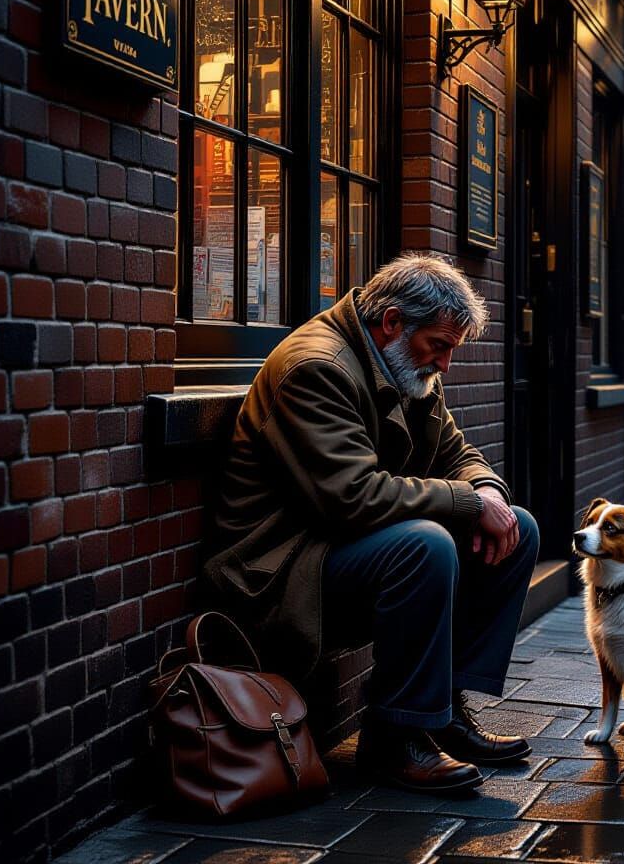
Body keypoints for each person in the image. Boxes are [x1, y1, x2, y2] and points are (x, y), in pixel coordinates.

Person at [204, 253, 540, 794]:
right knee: (426, 545)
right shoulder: (317, 368)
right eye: (441, 346)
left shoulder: (406, 362)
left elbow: (457, 452)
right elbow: (352, 497)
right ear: (391, 323)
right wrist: (466, 503)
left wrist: (486, 492)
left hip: (338, 545)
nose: (446, 364)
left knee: (517, 528)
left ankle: (441, 711)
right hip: (279, 567)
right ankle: (394, 739)